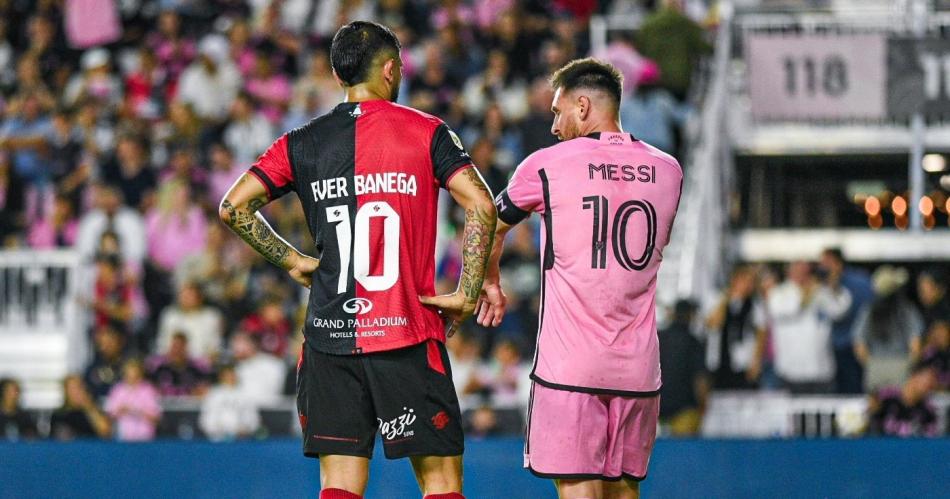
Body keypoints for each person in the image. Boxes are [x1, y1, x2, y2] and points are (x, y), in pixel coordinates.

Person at [218, 21, 495, 499]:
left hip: (330, 339)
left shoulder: (300, 141)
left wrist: (292, 261)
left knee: (341, 485)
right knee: (441, 482)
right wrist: (468, 293)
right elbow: (483, 205)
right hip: (406, 332)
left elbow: (233, 207)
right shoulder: (427, 132)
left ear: (337, 72)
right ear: (390, 70)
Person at [477, 58, 683, 499]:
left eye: (558, 111)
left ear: (583, 105)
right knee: (625, 491)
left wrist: (490, 280)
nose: (553, 126)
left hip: (569, 368)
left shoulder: (547, 165)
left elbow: (488, 222)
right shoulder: (669, 170)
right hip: (639, 370)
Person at [765, 261, 851, 394]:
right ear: (789, 271)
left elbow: (840, 311)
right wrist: (810, 290)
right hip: (791, 373)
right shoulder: (779, 293)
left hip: (822, 371)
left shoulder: (822, 291)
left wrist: (833, 286)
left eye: (807, 269)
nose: (804, 273)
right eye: (799, 268)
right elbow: (792, 308)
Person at [853, 266, 925, 391]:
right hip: (901, 365)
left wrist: (871, 364)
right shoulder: (907, 311)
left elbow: (859, 344)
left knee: (877, 408)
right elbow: (916, 345)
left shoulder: (869, 311)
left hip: (875, 365)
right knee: (900, 408)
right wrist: (908, 365)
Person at [818, 248, 874, 394]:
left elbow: (870, 310)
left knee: (855, 390)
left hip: (857, 346)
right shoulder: (820, 286)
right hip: (832, 348)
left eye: (826, 263)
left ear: (838, 263)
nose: (822, 267)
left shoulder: (860, 282)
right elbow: (821, 316)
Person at [703, 266, 767, 390]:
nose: (748, 286)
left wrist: (756, 362)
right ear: (735, 280)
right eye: (745, 281)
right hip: (718, 361)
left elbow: (761, 333)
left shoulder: (755, 304)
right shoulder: (716, 298)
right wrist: (727, 297)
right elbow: (714, 323)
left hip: (743, 362)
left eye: (751, 282)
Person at [659, 300, 708, 436]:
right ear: (690, 316)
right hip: (684, 413)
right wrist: (703, 408)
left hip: (655, 411)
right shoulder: (694, 342)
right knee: (683, 454)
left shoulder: (658, 338)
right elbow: (701, 379)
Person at [866, 361, 940, 437]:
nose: (932, 384)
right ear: (914, 375)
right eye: (929, 378)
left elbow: (930, 441)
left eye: (934, 380)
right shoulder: (885, 396)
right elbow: (868, 416)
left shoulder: (928, 411)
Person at [199, 364, 261, 441]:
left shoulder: (245, 394)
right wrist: (216, 430)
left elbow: (253, 418)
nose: (230, 378)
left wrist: (246, 429)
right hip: (217, 440)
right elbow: (206, 418)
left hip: (242, 440)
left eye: (232, 375)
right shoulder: (214, 394)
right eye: (227, 375)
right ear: (221, 377)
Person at [105, 358, 162, 442]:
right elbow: (109, 415)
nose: (132, 379)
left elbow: (156, 417)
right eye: (129, 376)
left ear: (140, 375)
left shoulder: (149, 390)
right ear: (124, 375)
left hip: (145, 438)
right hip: (122, 438)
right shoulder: (117, 390)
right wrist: (121, 410)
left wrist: (139, 412)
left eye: (135, 376)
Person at [49, 375, 112, 440]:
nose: (76, 392)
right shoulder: (59, 415)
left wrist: (88, 406)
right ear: (66, 391)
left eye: (78, 387)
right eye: (72, 388)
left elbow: (106, 432)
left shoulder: (92, 410)